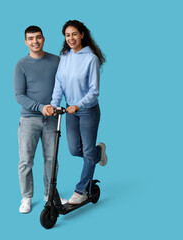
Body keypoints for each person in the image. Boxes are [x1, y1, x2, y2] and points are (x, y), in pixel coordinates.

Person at [50, 20, 108, 204]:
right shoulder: (65, 56)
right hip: (69, 110)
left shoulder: (91, 58)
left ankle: (81, 189)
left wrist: (79, 105)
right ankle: (99, 153)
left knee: (87, 149)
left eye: (74, 34)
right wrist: (53, 104)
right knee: (75, 150)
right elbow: (59, 82)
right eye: (67, 35)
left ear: (82, 34)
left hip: (87, 110)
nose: (71, 38)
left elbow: (94, 91)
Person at [13, 26, 67, 214]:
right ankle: (26, 197)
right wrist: (40, 107)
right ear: (26, 42)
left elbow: (63, 84)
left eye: (38, 37)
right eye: (30, 38)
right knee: (26, 160)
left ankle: (49, 194)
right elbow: (19, 95)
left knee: (52, 159)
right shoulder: (21, 65)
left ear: (43, 39)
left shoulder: (56, 61)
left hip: (52, 118)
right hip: (29, 120)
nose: (35, 41)